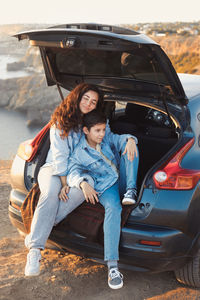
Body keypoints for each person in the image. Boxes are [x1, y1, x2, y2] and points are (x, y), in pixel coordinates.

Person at [24, 83, 104, 276]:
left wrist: (129, 140)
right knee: (50, 193)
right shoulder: (60, 120)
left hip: (78, 173)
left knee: (89, 185)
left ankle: (41, 226)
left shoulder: (91, 123)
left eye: (93, 102)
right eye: (86, 98)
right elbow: (60, 157)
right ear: (77, 96)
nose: (88, 104)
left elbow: (107, 137)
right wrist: (64, 184)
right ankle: (35, 251)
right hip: (53, 169)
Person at [65, 110, 139, 289]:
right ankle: (112, 267)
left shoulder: (107, 138)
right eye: (97, 131)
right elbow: (72, 172)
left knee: (130, 147)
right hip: (106, 187)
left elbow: (119, 139)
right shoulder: (79, 153)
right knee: (114, 208)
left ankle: (131, 190)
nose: (102, 134)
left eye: (103, 130)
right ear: (85, 130)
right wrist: (82, 184)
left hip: (121, 178)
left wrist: (130, 140)